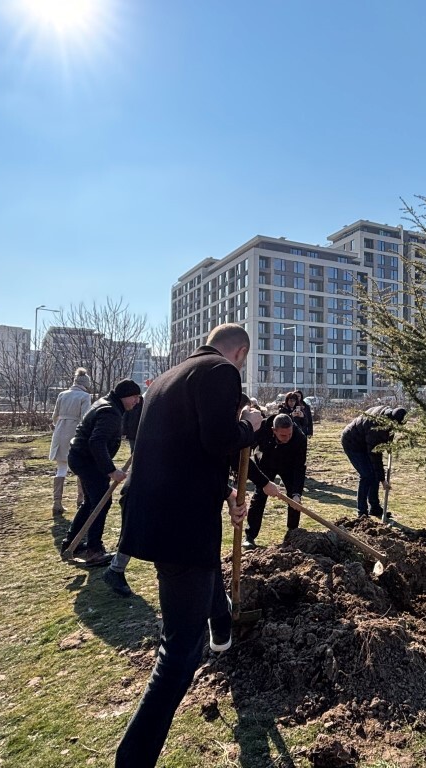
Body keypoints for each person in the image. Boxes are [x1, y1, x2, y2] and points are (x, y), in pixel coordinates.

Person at [114, 323, 263, 767]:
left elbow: (183, 450)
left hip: (155, 516)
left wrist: (228, 492)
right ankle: (133, 759)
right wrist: (250, 425)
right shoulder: (220, 371)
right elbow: (219, 439)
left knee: (204, 576)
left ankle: (223, 633)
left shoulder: (168, 378)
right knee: (179, 649)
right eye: (243, 361)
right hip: (182, 526)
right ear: (240, 353)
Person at [60, 379, 142, 565]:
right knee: (100, 503)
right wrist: (111, 471)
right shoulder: (110, 411)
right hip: (88, 461)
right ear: (125, 396)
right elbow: (96, 442)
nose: (136, 402)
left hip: (81, 458)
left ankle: (71, 543)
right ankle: (93, 549)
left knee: (91, 503)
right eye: (134, 398)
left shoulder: (107, 404)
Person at [243, 412, 307, 549]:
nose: (287, 438)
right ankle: (250, 536)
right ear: (274, 430)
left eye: (289, 434)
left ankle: (292, 534)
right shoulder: (261, 428)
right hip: (266, 463)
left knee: (294, 499)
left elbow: (299, 467)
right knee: (260, 496)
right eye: (283, 435)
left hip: (288, 466)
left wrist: (297, 493)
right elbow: (246, 447)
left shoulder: (299, 437)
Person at [102, 393, 145, 598]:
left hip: (145, 486)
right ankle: (115, 570)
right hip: (141, 489)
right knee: (135, 528)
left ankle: (116, 569)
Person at [340, 405, 406, 519]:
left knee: (373, 474)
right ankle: (362, 513)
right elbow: (375, 455)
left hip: (364, 442)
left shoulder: (387, 415)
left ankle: (374, 508)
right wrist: (382, 480)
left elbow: (389, 432)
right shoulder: (376, 427)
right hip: (352, 443)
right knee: (367, 476)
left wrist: (389, 445)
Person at [48, 368, 91, 514]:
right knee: (80, 468)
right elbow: (86, 418)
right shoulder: (85, 396)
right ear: (85, 384)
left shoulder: (62, 394)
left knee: (61, 469)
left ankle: (57, 502)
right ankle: (80, 500)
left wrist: (60, 425)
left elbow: (55, 416)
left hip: (59, 432)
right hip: (75, 434)